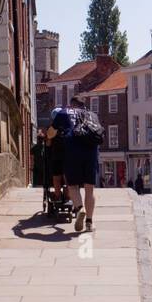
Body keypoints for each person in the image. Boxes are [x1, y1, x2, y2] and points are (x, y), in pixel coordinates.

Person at [52, 96, 101, 233]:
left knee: (72, 186)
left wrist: (50, 136)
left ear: (71, 105)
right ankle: (90, 223)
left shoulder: (64, 113)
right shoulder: (92, 115)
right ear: (83, 105)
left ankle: (80, 208)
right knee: (89, 189)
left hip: (72, 151)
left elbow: (51, 132)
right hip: (91, 152)